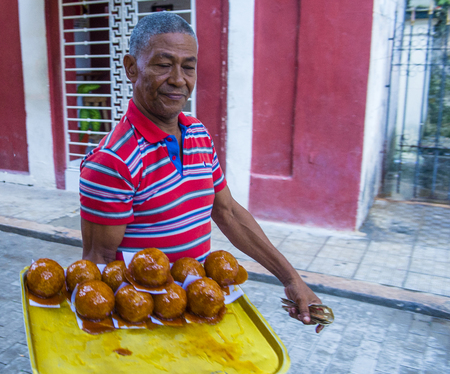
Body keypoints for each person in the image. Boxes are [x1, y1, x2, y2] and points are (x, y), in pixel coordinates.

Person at [80, 12, 323, 333]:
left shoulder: (197, 133)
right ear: (131, 68)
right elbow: (99, 263)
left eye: (188, 66)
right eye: (163, 65)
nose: (179, 79)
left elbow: (228, 213)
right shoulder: (112, 160)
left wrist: (292, 280)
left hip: (197, 308)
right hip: (143, 322)